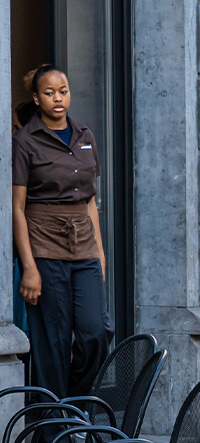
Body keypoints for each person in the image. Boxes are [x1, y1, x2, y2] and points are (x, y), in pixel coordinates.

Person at [12, 66, 112, 398]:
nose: (58, 98)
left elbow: (90, 202)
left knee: (96, 332)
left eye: (63, 90)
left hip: (83, 247)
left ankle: (73, 404)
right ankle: (53, 425)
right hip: (44, 247)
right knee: (52, 340)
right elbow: (16, 208)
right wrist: (29, 267)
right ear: (37, 98)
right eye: (50, 92)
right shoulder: (25, 141)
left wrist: (100, 254)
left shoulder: (85, 136)